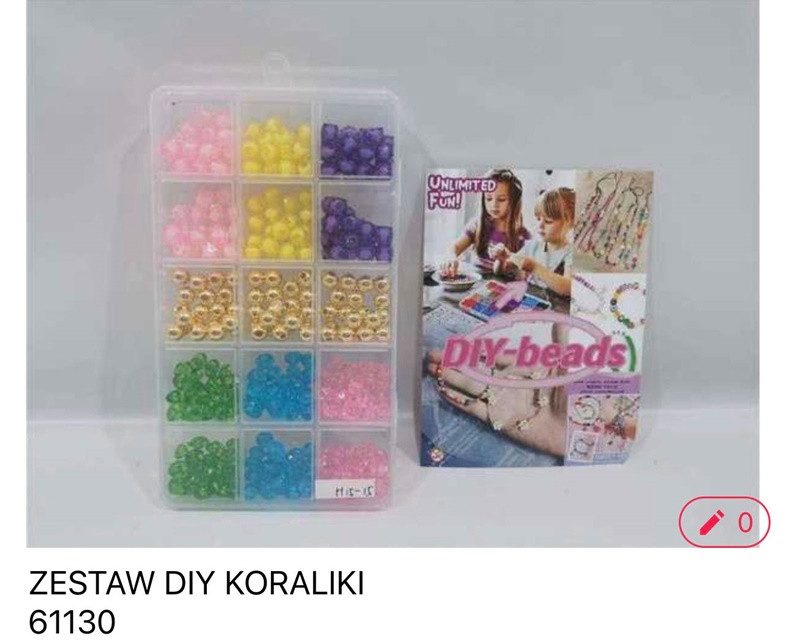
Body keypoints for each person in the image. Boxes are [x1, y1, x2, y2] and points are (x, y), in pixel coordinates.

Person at [441, 169, 529, 275]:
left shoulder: (522, 236)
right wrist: (451, 258)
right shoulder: (477, 225)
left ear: (514, 202)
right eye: (488, 198)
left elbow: (502, 272)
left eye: (501, 199)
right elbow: (455, 247)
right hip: (476, 281)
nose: (494, 205)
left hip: (503, 283)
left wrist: (501, 260)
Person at [493, 187, 575, 297]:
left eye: (548, 221)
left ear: (570, 223)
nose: (540, 225)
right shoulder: (533, 246)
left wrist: (534, 267)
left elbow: (568, 288)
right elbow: (500, 271)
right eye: (538, 219)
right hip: (530, 300)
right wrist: (501, 260)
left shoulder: (571, 253)